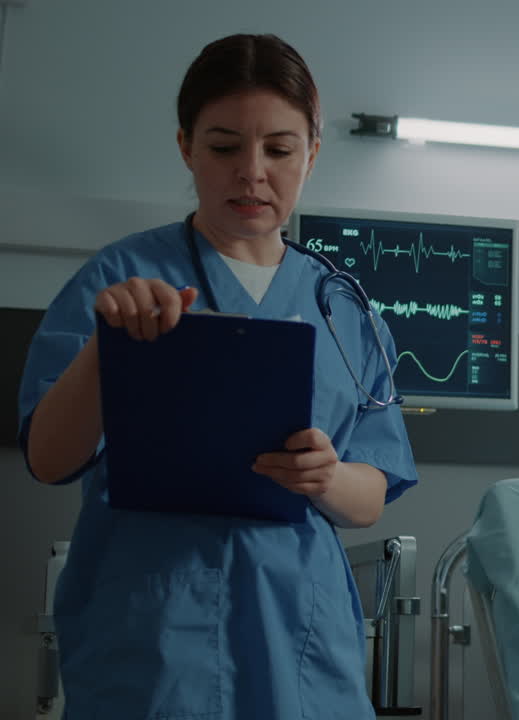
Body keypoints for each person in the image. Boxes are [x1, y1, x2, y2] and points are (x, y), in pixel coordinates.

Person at [17, 34, 418, 718]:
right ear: (186, 147)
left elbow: (369, 497)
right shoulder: (121, 279)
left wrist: (325, 475)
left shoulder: (343, 307)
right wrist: (108, 349)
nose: (251, 173)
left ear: (312, 154)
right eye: (225, 147)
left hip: (299, 633)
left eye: (279, 150)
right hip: (153, 636)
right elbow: (49, 460)